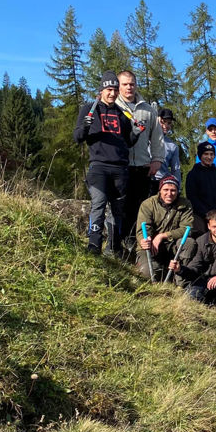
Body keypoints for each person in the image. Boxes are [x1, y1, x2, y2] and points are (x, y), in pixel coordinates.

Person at [73, 71, 136, 256]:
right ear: (101, 90)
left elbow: (128, 141)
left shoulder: (122, 114)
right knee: (99, 204)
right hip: (98, 167)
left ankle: (115, 247)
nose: (112, 93)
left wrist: (137, 132)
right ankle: (94, 245)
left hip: (120, 169)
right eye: (109, 89)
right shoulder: (89, 109)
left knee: (118, 210)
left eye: (115, 90)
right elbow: (77, 137)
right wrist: (85, 125)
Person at [116, 71, 165, 243]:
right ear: (118, 86)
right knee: (121, 207)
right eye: (125, 84)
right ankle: (119, 242)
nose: (129, 87)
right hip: (121, 166)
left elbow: (157, 137)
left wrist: (157, 160)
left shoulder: (148, 110)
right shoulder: (114, 106)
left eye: (132, 84)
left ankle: (136, 243)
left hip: (143, 166)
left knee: (140, 208)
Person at [135, 175, 194, 281]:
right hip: (150, 246)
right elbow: (143, 228)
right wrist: (144, 240)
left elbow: (187, 229)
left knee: (189, 242)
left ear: (177, 191)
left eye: (173, 190)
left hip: (172, 245)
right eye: (166, 190)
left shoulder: (185, 204)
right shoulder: (148, 204)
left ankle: (180, 279)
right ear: (160, 190)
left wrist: (163, 236)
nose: (169, 194)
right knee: (148, 273)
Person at [185, 142, 216, 235]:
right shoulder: (193, 175)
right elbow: (192, 197)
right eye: (206, 154)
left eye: (211, 154)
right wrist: (207, 214)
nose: (209, 157)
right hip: (201, 216)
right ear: (200, 156)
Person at [154, 108, 182, 183]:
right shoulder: (145, 138)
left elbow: (176, 169)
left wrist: (177, 187)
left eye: (169, 123)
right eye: (163, 122)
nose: (165, 125)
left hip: (162, 182)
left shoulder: (172, 146)